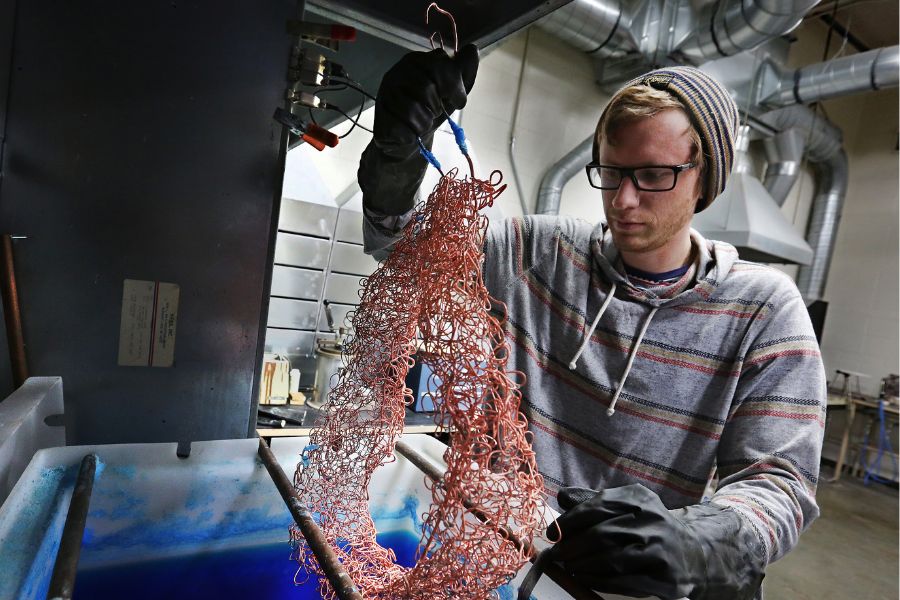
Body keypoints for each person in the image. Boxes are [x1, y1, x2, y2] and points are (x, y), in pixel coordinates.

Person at [357, 45, 827, 600]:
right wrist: (395, 157)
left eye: (653, 175)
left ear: (705, 180)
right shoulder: (539, 253)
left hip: (630, 588)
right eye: (612, 173)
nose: (623, 200)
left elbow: (779, 481)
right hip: (500, 566)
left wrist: (699, 539)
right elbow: (402, 245)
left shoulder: (763, 310)